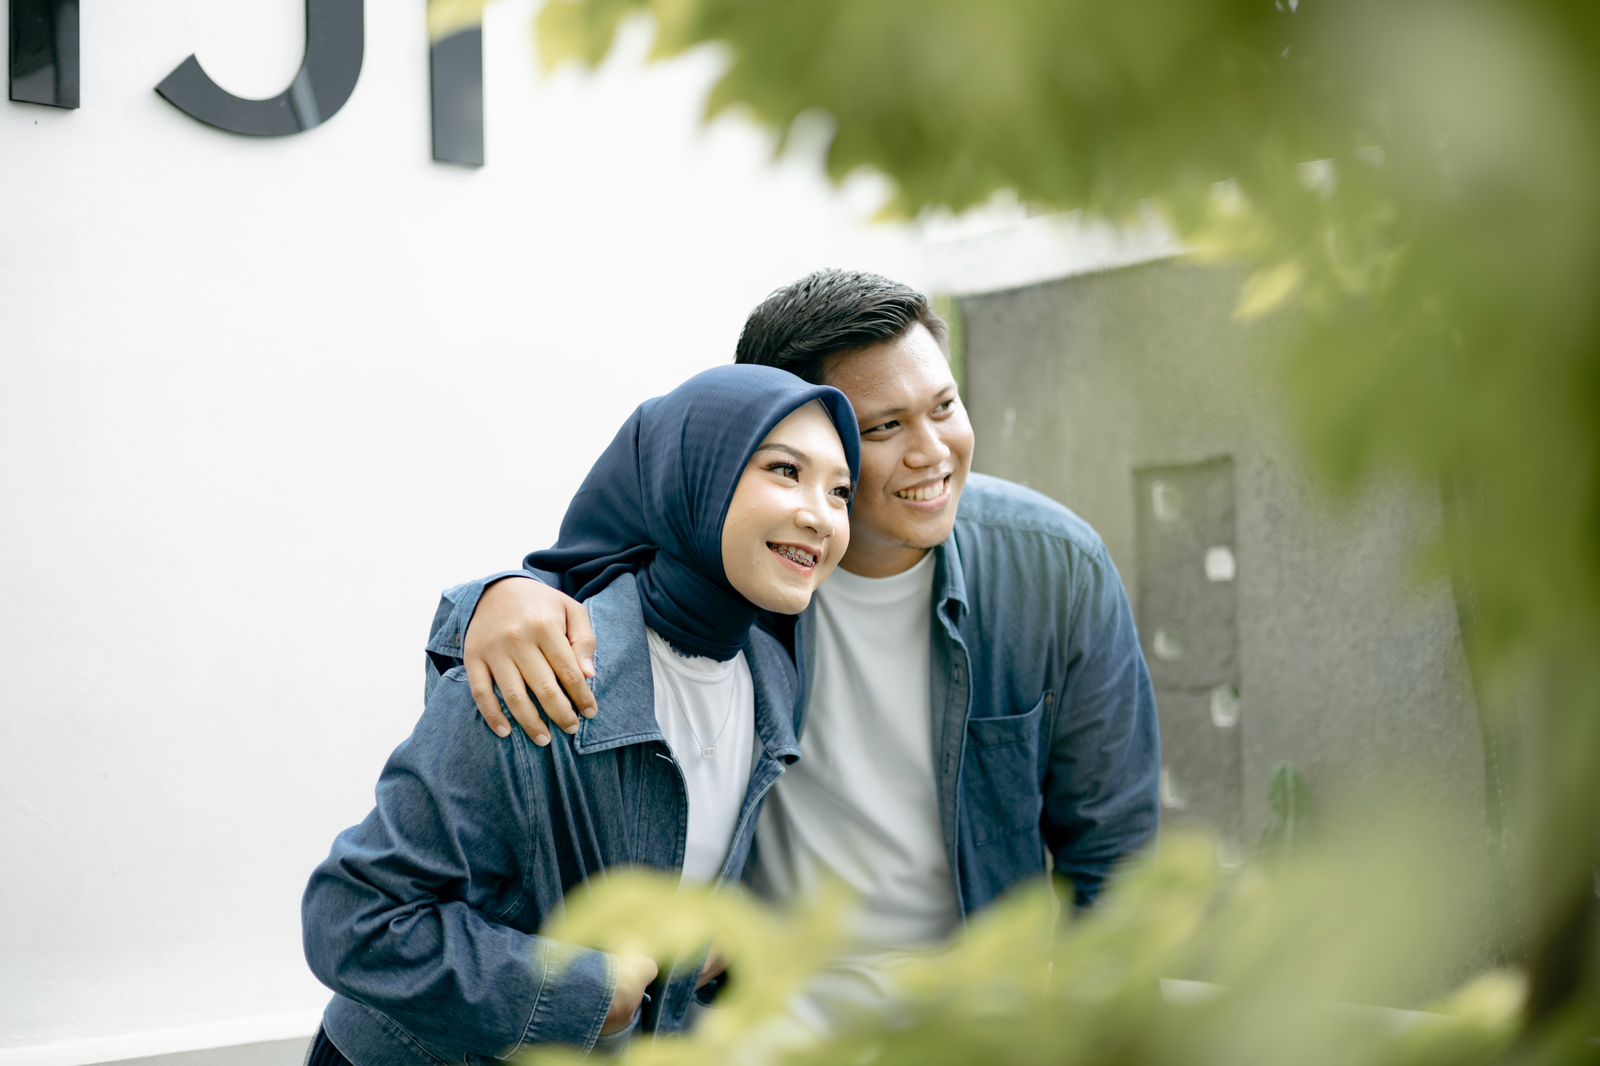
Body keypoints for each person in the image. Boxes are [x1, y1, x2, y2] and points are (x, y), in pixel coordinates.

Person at [429, 269, 1161, 1031]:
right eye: (884, 428)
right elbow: (576, 573)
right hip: (751, 1020)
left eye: (944, 408)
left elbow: (1115, 852)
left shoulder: (1053, 565)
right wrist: (493, 597)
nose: (931, 452)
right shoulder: (729, 567)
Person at [301, 364, 861, 1063]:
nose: (820, 514)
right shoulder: (542, 668)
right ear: (696, 475)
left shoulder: (773, 675)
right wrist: (583, 992)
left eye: (840, 491)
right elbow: (351, 919)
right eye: (785, 471)